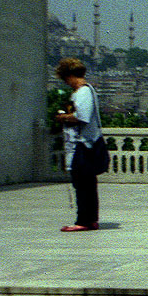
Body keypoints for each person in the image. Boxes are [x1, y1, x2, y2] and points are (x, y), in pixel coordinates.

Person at [54, 57, 104, 232]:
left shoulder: (82, 92)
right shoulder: (87, 91)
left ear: (70, 76)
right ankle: (90, 219)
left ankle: (84, 220)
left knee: (82, 184)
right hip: (86, 144)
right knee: (88, 184)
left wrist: (63, 117)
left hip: (84, 145)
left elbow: (82, 117)